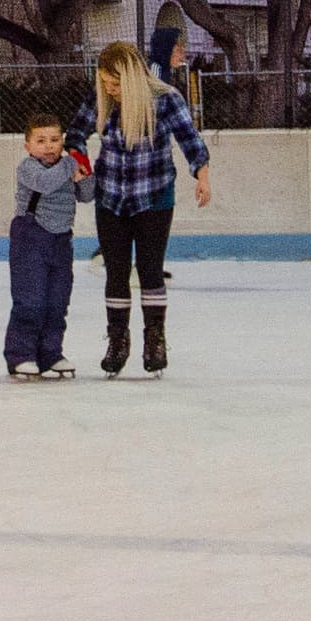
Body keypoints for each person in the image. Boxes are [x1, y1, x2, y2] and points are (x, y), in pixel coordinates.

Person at [74, 39, 213, 378]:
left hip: (154, 197)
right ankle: (117, 339)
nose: (111, 89)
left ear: (134, 77)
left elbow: (190, 141)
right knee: (116, 272)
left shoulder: (165, 100)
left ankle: (155, 339)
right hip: (110, 198)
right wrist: (78, 161)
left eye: (117, 83)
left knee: (150, 270)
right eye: (106, 82)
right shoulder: (102, 98)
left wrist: (202, 177)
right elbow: (75, 133)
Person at [3, 115, 90, 378]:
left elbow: (87, 195)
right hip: (31, 237)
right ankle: (21, 354)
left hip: (61, 241)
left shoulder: (66, 166)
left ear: (63, 141)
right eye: (41, 141)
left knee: (57, 301)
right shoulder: (28, 168)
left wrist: (83, 174)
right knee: (31, 300)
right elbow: (46, 184)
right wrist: (71, 162)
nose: (49, 146)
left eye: (55, 140)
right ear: (28, 145)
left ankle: (51, 352)